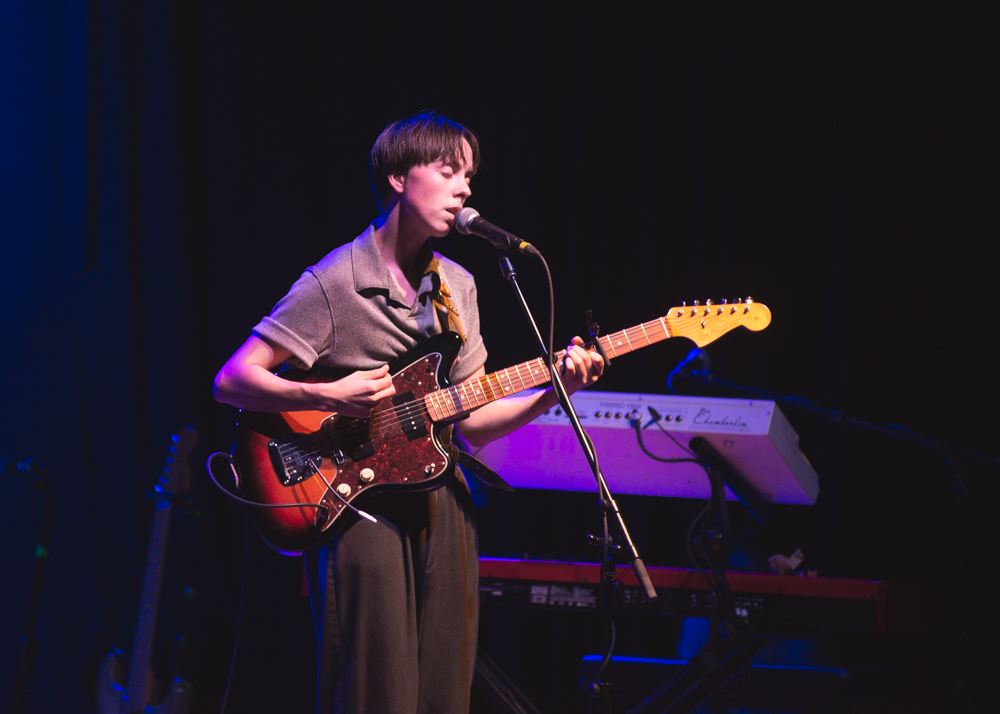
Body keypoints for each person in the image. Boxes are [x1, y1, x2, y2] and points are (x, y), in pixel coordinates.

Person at [213, 110, 603, 713]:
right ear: (399, 177)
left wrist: (556, 391)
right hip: (356, 506)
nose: (465, 188)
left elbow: (471, 421)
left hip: (441, 495)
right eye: (449, 171)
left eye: (470, 176)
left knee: (444, 686)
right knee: (374, 687)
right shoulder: (337, 280)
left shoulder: (459, 285)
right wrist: (325, 394)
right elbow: (233, 379)